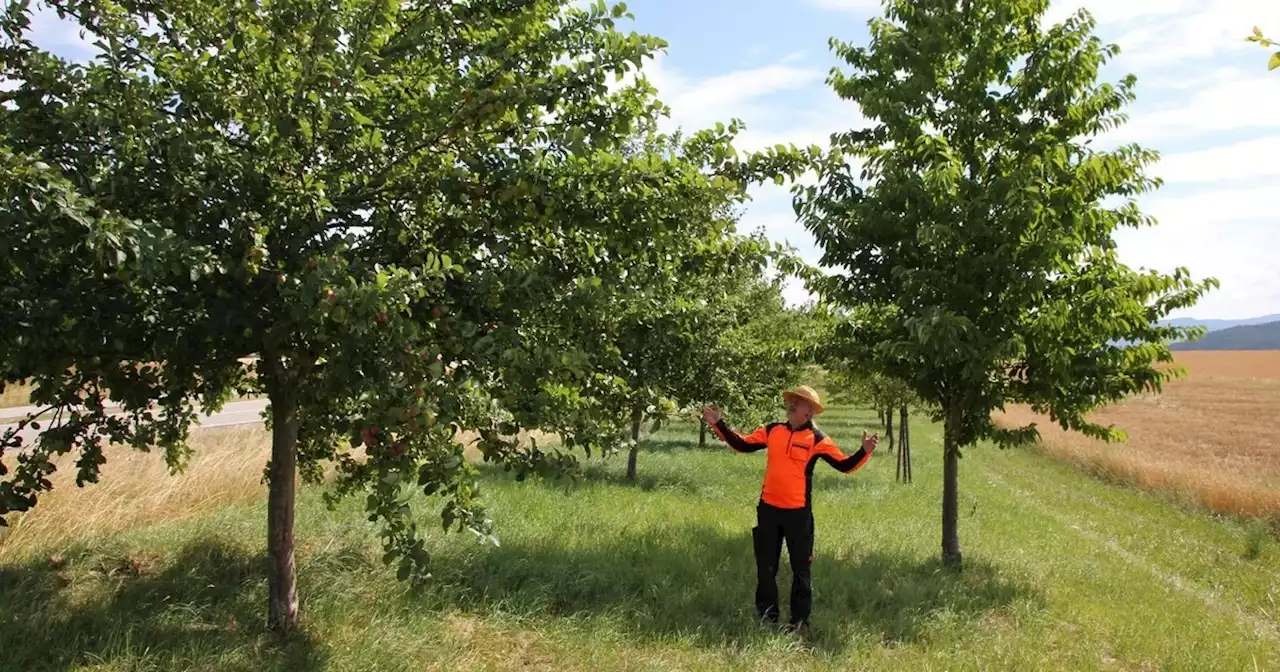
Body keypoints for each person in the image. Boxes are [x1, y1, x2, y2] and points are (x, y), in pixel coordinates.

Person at [702, 385, 877, 637]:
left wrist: (864, 452)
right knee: (766, 567)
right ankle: (767, 618)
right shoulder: (773, 430)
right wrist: (719, 424)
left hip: (798, 515)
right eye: (792, 400)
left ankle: (799, 622)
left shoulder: (818, 440)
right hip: (769, 510)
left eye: (799, 401)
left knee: (801, 570)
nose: (792, 403)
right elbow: (742, 444)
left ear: (809, 412)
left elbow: (844, 465)